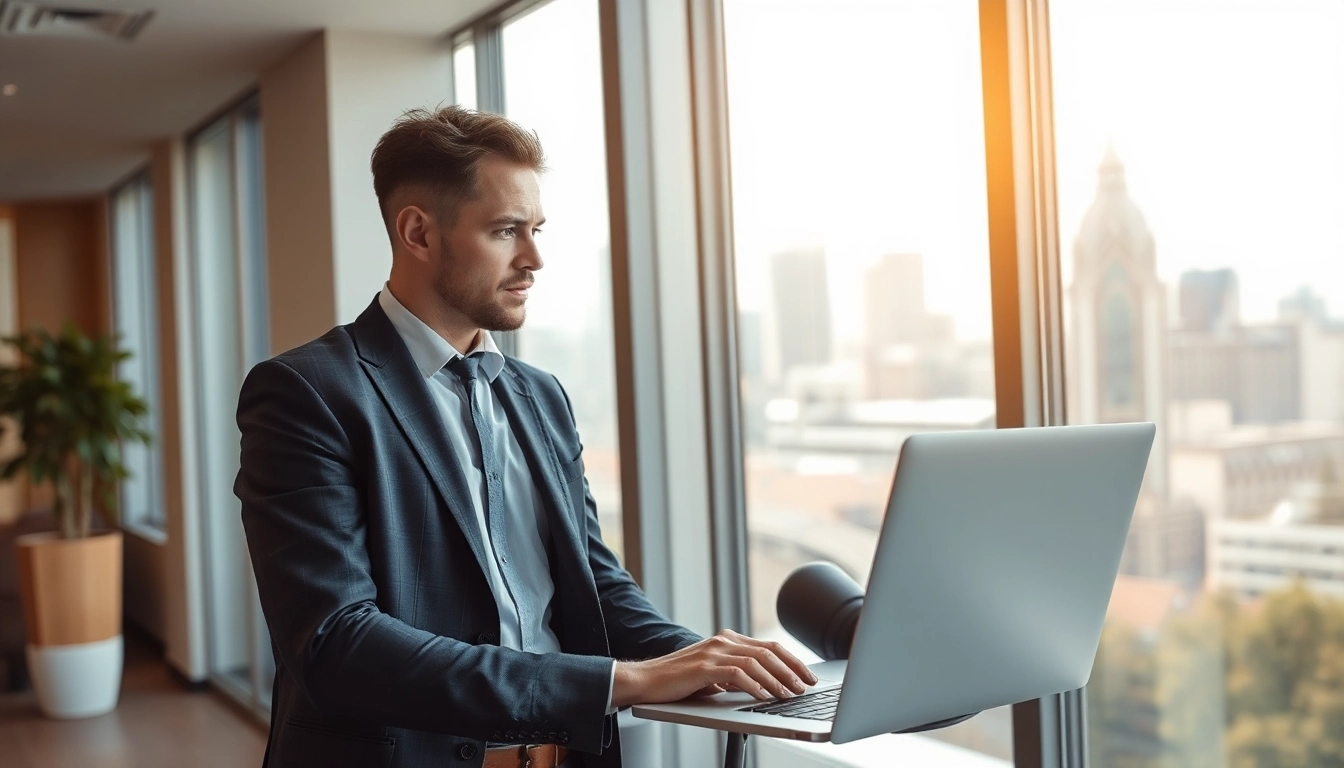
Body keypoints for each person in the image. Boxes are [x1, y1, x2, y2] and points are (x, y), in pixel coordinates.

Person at [234, 105, 816, 768]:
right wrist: (622, 681)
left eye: (536, 229)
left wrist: (713, 663)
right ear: (418, 232)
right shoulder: (306, 393)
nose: (535, 258)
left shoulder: (540, 395)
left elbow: (595, 587)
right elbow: (336, 644)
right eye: (507, 231)